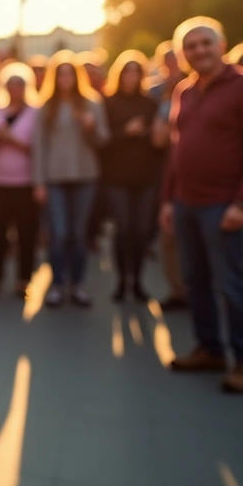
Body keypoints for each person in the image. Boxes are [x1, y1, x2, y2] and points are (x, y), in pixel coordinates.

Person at [159, 17, 243, 393]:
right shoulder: (184, 91)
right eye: (190, 46)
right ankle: (209, 348)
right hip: (186, 203)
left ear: (221, 44)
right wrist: (167, 199)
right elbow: (177, 149)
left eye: (205, 43)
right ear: (182, 54)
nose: (199, 51)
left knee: (231, 284)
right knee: (195, 280)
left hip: (223, 205)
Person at [34, 50, 109, 308]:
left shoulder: (92, 103)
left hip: (85, 177)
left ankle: (77, 283)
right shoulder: (46, 106)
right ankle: (57, 283)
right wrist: (39, 182)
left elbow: (103, 141)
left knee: (78, 234)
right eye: (61, 74)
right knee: (59, 233)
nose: (65, 78)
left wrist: (91, 127)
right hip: (55, 178)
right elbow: (39, 146)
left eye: (69, 73)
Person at [100, 51, 162, 302]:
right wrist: (126, 132)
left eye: (136, 72)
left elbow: (158, 143)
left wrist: (153, 135)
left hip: (145, 176)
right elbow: (102, 142)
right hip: (117, 177)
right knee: (123, 229)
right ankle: (121, 281)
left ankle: (137, 282)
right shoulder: (108, 102)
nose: (131, 76)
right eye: (127, 71)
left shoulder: (150, 103)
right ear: (119, 74)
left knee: (141, 231)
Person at [0, 63, 41, 297]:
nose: (16, 88)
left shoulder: (36, 112)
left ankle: (24, 279)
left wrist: (10, 139)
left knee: (26, 233)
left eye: (20, 83)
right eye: (11, 83)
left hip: (25, 183)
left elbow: (39, 148)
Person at [150, 41, 187, 310]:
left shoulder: (196, 87)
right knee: (170, 236)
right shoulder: (159, 94)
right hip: (167, 171)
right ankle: (178, 289)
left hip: (201, 176)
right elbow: (159, 140)